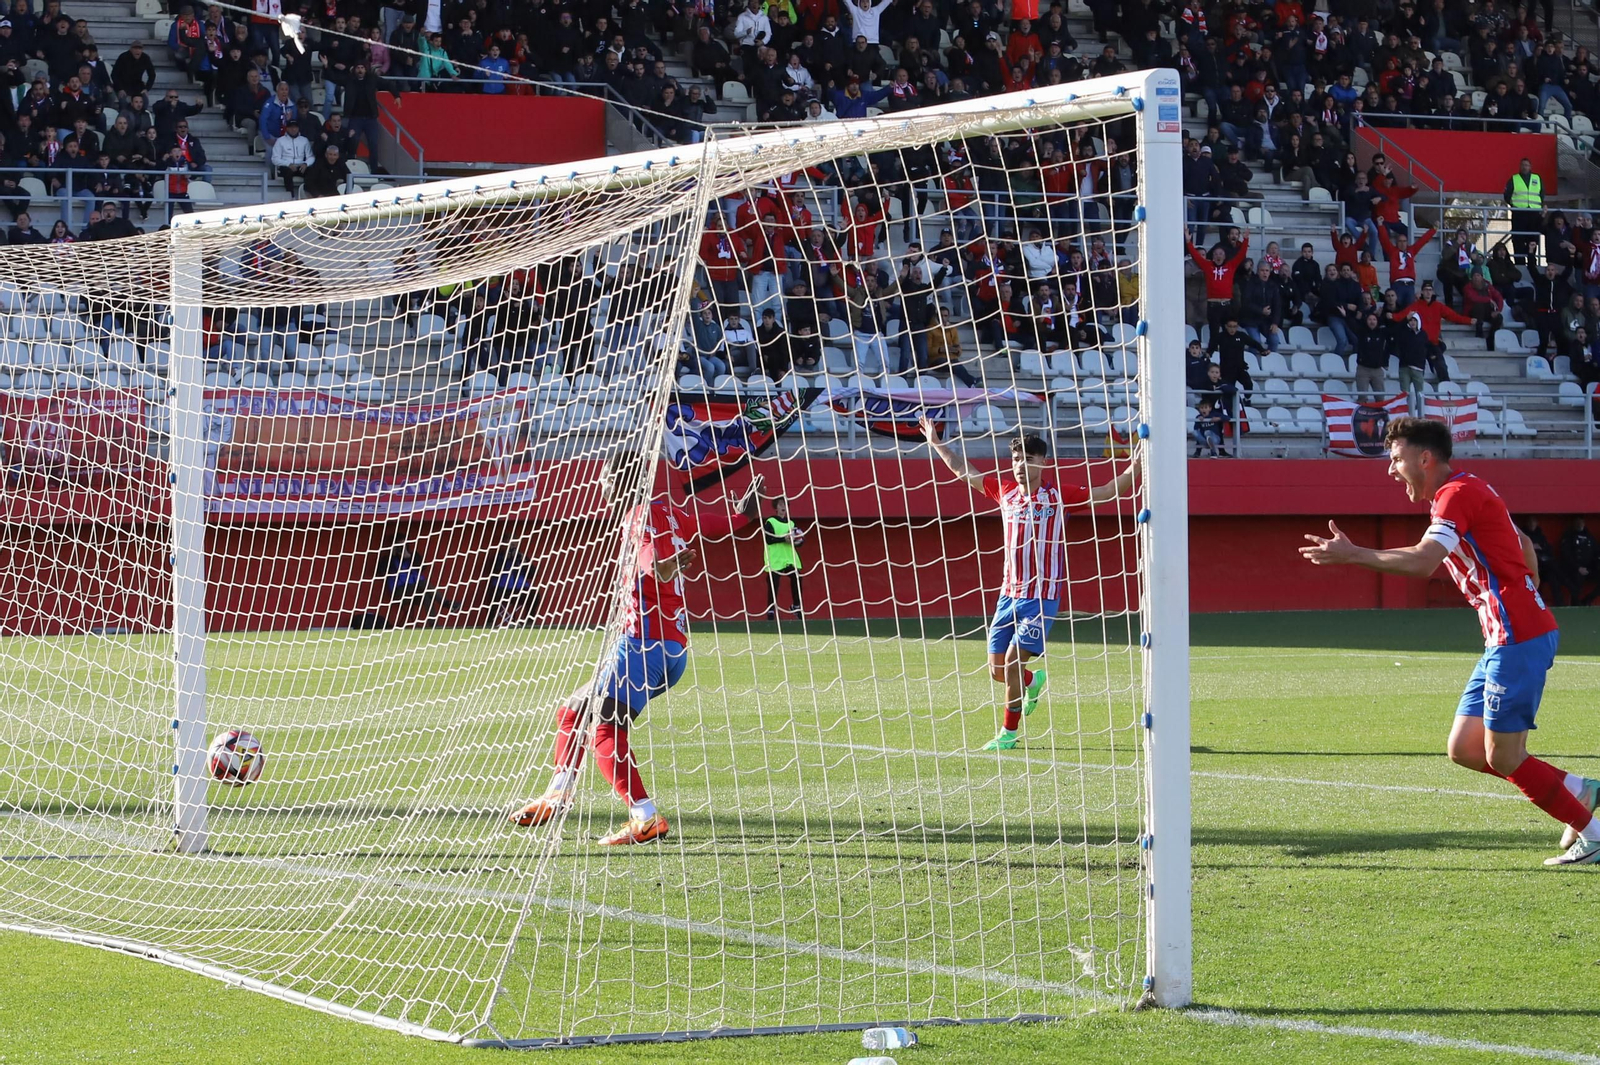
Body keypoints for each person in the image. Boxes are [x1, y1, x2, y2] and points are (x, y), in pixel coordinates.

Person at [1300, 417, 1600, 867]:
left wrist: (1353, 554)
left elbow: (1424, 562)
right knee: (1464, 748)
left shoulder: (1454, 495)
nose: (1391, 469)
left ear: (1425, 458)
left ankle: (1593, 833)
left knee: (1504, 756)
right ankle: (1581, 790)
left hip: (1516, 635)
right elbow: (1521, 541)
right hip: (1509, 634)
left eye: (1396, 459)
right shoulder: (1468, 488)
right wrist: (1526, 586)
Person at [510, 452, 764, 845]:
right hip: (671, 648)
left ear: (621, 481)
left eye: (606, 477)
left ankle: (644, 816)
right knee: (573, 710)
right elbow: (715, 524)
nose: (601, 484)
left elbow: (650, 558)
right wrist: (741, 516)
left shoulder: (636, 515)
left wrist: (660, 568)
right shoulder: (672, 513)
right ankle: (558, 792)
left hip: (643, 644)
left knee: (606, 725)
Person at [919, 420, 1135, 752]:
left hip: (1041, 598)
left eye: (1029, 459)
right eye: (1017, 459)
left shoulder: (1058, 496)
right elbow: (965, 471)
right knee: (997, 671)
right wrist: (936, 443)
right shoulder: (1004, 492)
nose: (1021, 465)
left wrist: (1139, 463)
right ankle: (1033, 681)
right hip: (1008, 595)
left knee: (1011, 663)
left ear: (1043, 463)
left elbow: (1107, 491)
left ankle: (1008, 733)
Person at [1187, 229, 1249, 353]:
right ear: (1213, 256)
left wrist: (1245, 240)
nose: (1218, 256)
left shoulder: (1230, 265)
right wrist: (1189, 242)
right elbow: (1195, 256)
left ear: (1224, 256)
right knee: (1214, 333)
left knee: (1230, 332)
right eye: (1215, 254)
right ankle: (1211, 355)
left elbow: (1241, 254)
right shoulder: (1207, 266)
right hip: (1213, 306)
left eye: (1221, 254)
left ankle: (1230, 354)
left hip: (1227, 305)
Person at [760, 495, 804, 620]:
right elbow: (768, 539)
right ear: (776, 508)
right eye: (780, 504)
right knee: (773, 583)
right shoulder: (770, 522)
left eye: (785, 504)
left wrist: (799, 541)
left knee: (797, 577)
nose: (783, 507)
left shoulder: (791, 523)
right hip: (775, 558)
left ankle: (796, 606)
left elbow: (799, 541)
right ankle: (771, 610)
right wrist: (783, 539)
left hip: (789, 558)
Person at [1504, 157, 1544, 262]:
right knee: (1518, 239)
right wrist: (1514, 205)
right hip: (1519, 214)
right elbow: (1507, 195)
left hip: (1534, 214)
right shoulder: (1514, 179)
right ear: (1519, 166)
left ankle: (1532, 261)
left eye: (1526, 165)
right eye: (1522, 165)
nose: (1524, 167)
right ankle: (1519, 262)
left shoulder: (1537, 178)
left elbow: (1542, 194)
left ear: (1530, 167)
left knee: (1533, 239)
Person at [1557, 517, 1597, 606]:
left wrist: (1591, 568)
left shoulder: (1589, 536)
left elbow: (1595, 553)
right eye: (1577, 522)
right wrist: (1578, 568)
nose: (1580, 524)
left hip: (1589, 569)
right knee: (1576, 580)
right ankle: (1575, 604)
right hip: (1574, 569)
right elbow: (1566, 555)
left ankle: (1587, 600)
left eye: (1581, 522)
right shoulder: (1569, 536)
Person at [270, 116, 311, 192]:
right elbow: (274, 159)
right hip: (286, 166)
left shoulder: (304, 140)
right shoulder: (280, 141)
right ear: (287, 128)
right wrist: (288, 164)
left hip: (300, 166)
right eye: (291, 127)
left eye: (295, 127)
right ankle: (291, 195)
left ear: (298, 128)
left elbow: (311, 156)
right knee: (287, 172)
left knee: (311, 171)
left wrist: (306, 164)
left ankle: (308, 194)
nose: (293, 129)